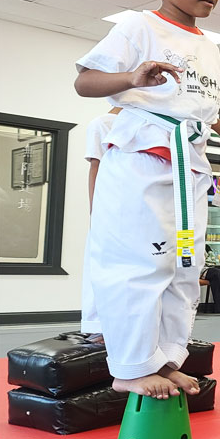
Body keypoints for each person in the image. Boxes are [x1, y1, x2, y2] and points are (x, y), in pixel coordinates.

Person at [74, 0, 220, 399]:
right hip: (144, 163)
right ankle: (130, 365)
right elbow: (83, 82)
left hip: (191, 171)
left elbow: (198, 113)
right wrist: (129, 76)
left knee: (183, 266)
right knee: (142, 264)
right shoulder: (139, 26)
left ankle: (166, 358)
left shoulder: (209, 47)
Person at [81, 107, 121, 341]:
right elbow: (95, 167)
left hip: (155, 209)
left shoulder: (165, 122)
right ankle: (100, 328)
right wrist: (95, 214)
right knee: (104, 268)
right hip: (112, 209)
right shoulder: (104, 124)